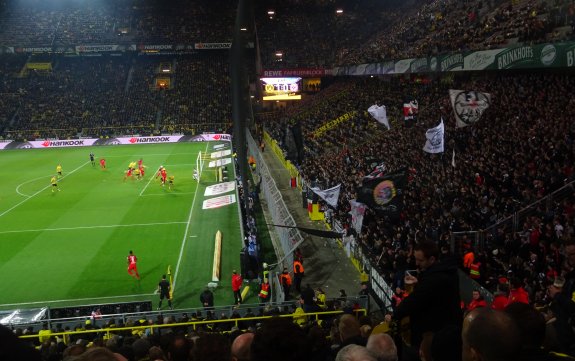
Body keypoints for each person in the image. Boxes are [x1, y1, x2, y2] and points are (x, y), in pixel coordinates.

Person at [393, 241, 462, 361]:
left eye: (420, 260)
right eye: (416, 259)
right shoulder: (446, 272)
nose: (417, 263)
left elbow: (413, 302)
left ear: (431, 259)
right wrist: (420, 284)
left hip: (434, 334)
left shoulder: (434, 279)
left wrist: (394, 315)